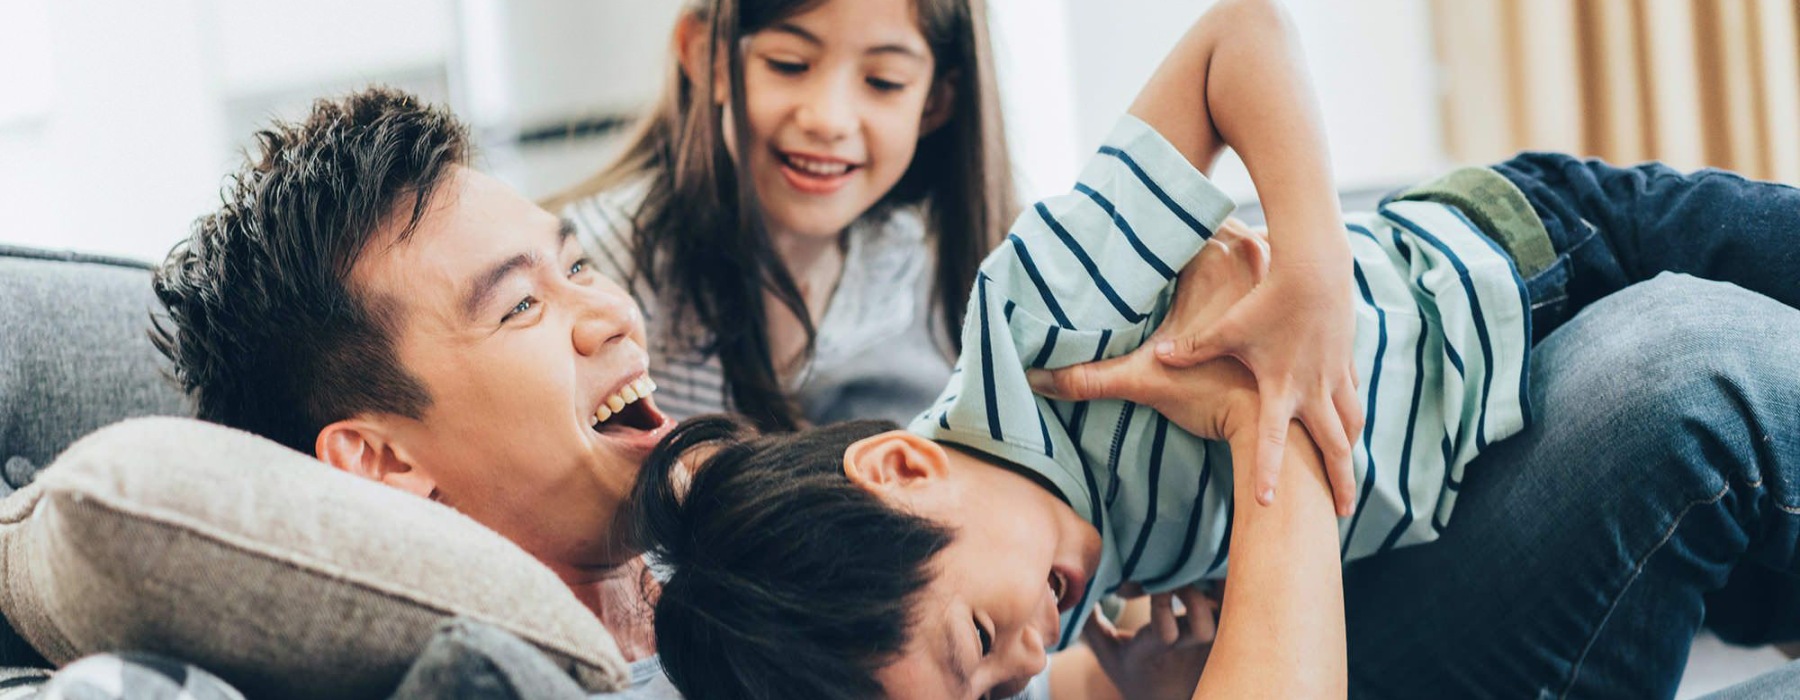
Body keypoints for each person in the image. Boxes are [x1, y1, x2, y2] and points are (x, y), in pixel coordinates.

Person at [627, 1, 1800, 698]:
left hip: (1524, 261)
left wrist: (1311, 270)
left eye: (981, 643)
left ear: (899, 468)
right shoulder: (1049, 565)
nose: (1028, 657)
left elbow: (1237, 35)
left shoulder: (1035, 323)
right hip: (1481, 446)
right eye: (993, 690)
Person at [546, 0, 1018, 435]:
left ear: (936, 102)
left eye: (885, 81)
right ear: (705, 58)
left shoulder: (921, 261)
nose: (829, 120)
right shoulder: (601, 269)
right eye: (788, 65)